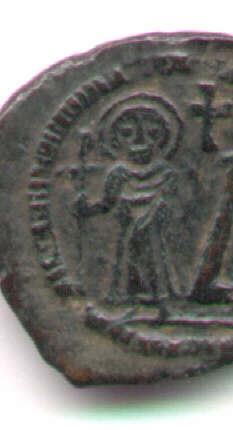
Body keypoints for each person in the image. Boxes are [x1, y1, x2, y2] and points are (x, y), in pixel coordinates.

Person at [76, 102, 178, 304]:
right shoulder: (118, 173)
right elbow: (107, 204)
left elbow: (172, 206)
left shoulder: (165, 172)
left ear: (162, 137)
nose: (140, 139)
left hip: (152, 227)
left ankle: (159, 297)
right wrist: (86, 208)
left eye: (151, 132)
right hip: (128, 226)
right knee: (127, 257)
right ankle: (127, 295)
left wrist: (155, 214)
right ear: (116, 140)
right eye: (127, 133)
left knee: (154, 255)